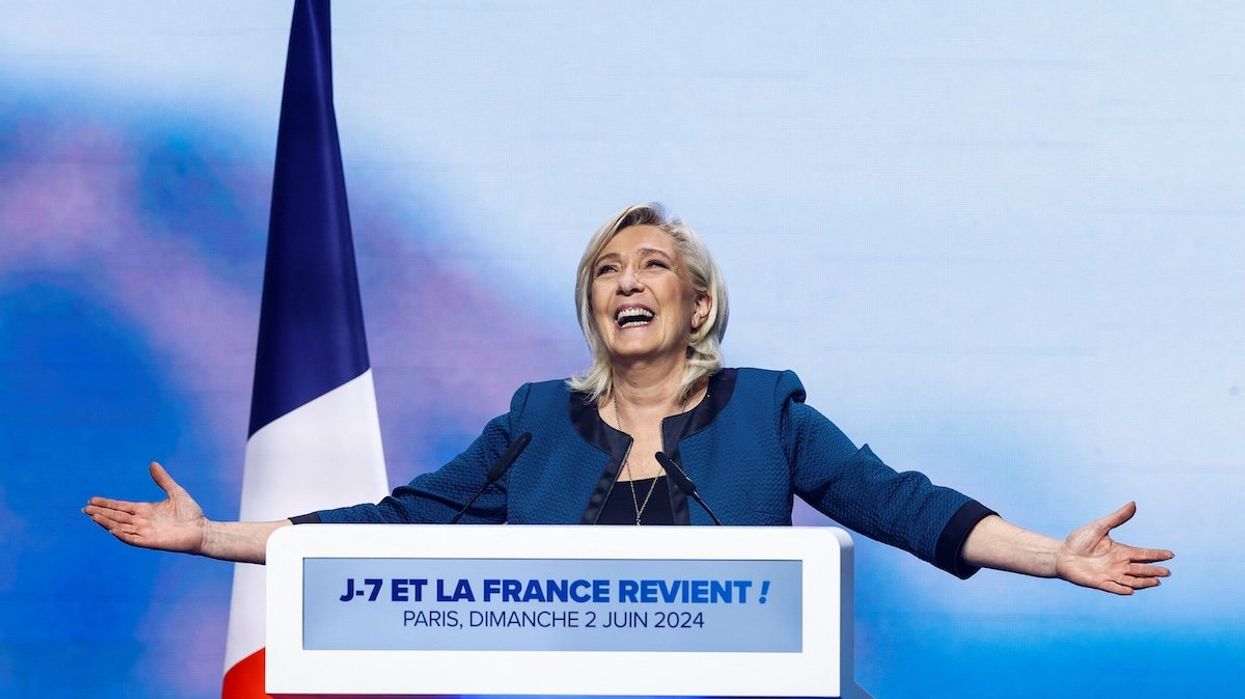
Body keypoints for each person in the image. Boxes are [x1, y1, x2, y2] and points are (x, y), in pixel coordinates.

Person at [84, 203, 1173, 594]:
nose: (627, 284)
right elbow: (394, 525)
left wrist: (1055, 557)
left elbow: (902, 503)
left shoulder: (768, 411)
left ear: (699, 308)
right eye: (607, 271)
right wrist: (210, 538)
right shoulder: (533, 420)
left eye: (652, 267)